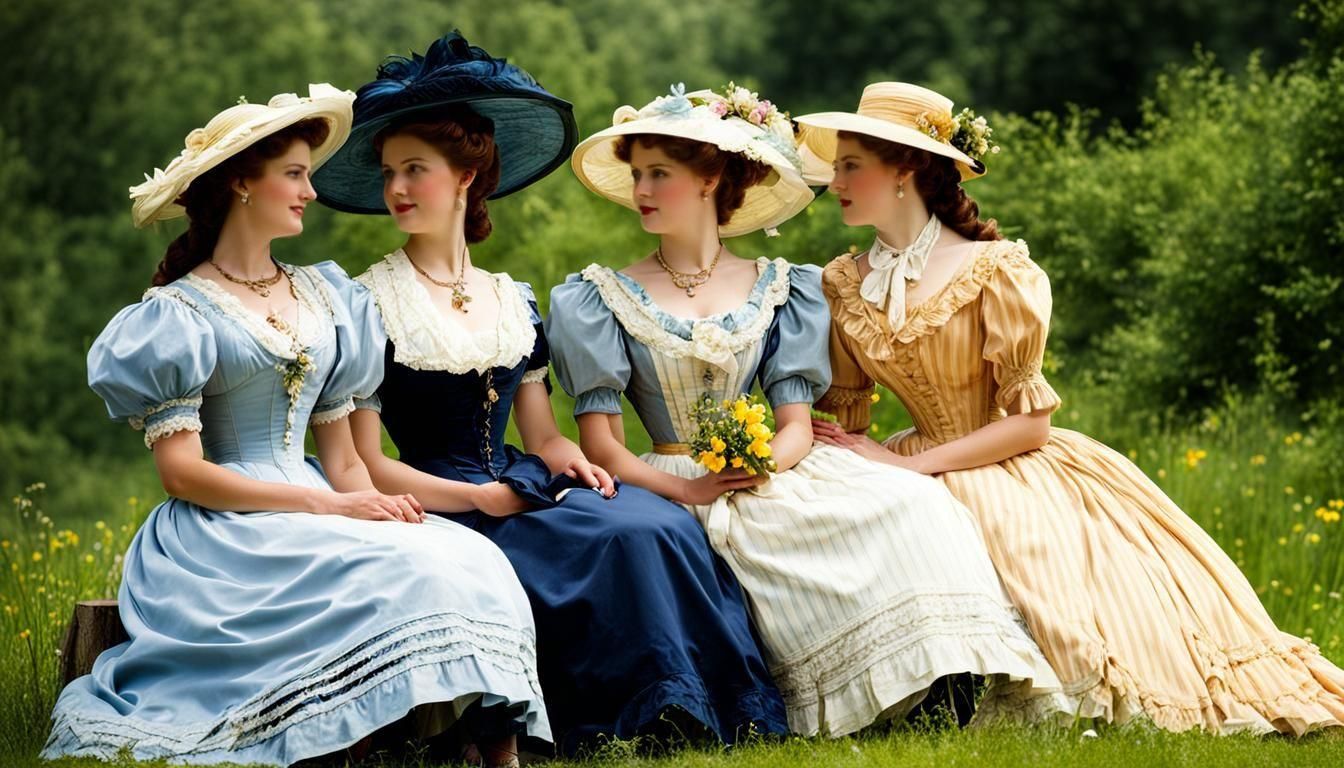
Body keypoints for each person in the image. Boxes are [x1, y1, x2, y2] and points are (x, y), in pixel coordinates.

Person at [799, 81, 1344, 735]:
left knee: (1022, 551)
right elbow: (847, 414)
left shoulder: (994, 270)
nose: (835, 182)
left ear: (908, 167)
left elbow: (1029, 424)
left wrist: (912, 468)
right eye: (837, 167)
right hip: (911, 458)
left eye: (851, 164)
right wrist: (846, 467)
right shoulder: (842, 283)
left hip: (1005, 458)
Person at [41, 85, 548, 767]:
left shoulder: (326, 296)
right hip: (226, 524)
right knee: (401, 573)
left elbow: (343, 460)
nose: (311, 192)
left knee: (466, 556)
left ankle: (497, 752)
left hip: (320, 501)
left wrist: (365, 502)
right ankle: (343, 739)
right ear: (243, 183)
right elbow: (183, 474)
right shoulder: (178, 313)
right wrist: (329, 504)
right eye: (296, 175)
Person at [313, 34, 787, 755]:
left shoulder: (510, 300)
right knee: (618, 539)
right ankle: (615, 717)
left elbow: (544, 437)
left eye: (416, 170)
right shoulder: (370, 303)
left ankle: (694, 711)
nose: (398, 189)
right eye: (389, 173)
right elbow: (370, 464)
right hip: (435, 498)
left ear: (469, 174)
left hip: (520, 481)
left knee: (650, 521)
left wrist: (579, 464)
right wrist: (478, 498)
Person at [548, 82, 1068, 737]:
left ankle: (940, 679)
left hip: (766, 464)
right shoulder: (599, 297)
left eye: (660, 174)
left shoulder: (782, 286)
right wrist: (695, 485)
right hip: (663, 469)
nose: (642, 190)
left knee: (910, 502)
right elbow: (602, 445)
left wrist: (762, 463)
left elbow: (794, 422)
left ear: (710, 181)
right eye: (638, 175)